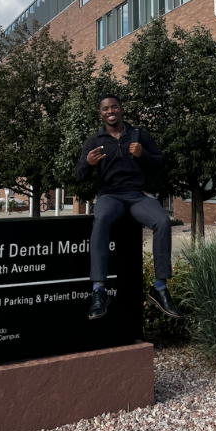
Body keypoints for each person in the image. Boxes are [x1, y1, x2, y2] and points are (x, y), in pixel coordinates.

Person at [76, 94, 184, 321]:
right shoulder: (94, 141)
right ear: (101, 114)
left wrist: (142, 154)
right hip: (110, 196)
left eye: (114, 107)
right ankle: (98, 291)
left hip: (137, 196)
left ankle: (160, 288)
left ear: (121, 109)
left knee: (163, 222)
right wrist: (88, 163)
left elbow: (161, 162)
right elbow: (78, 176)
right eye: (105, 108)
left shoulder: (139, 135)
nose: (110, 111)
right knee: (101, 220)